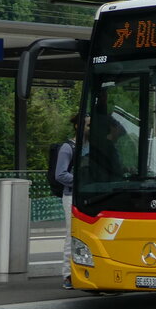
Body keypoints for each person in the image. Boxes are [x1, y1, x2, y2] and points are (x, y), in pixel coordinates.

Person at [55, 113, 88, 289]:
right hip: (71, 197)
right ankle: (68, 275)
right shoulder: (68, 148)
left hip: (88, 196)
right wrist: (82, 181)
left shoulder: (91, 147)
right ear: (78, 126)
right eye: (88, 125)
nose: (91, 128)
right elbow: (60, 174)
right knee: (72, 234)